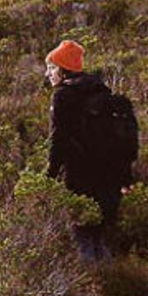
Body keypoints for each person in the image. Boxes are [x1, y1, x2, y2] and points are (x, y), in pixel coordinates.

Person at [45, 39, 133, 261]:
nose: (48, 74)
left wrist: (49, 176)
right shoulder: (103, 94)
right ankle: (112, 284)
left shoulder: (63, 96)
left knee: (81, 237)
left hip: (79, 179)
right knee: (99, 237)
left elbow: (59, 140)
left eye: (52, 67)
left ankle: (91, 289)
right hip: (110, 180)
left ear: (64, 70)